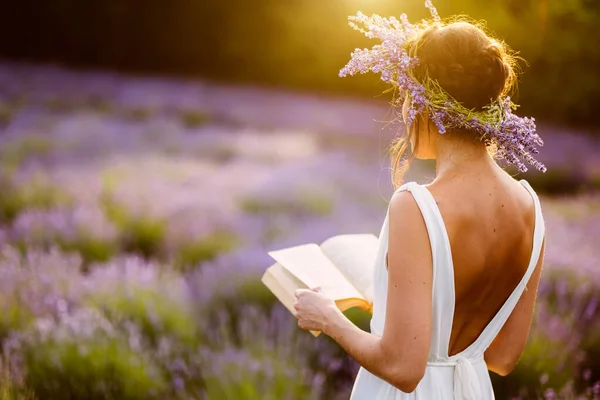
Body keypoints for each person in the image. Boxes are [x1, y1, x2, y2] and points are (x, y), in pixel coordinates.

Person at [292, 2, 547, 399]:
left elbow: (404, 368)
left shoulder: (416, 205)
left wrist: (329, 319)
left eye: (406, 94)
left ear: (427, 103)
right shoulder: (530, 208)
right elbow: (503, 356)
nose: (404, 107)